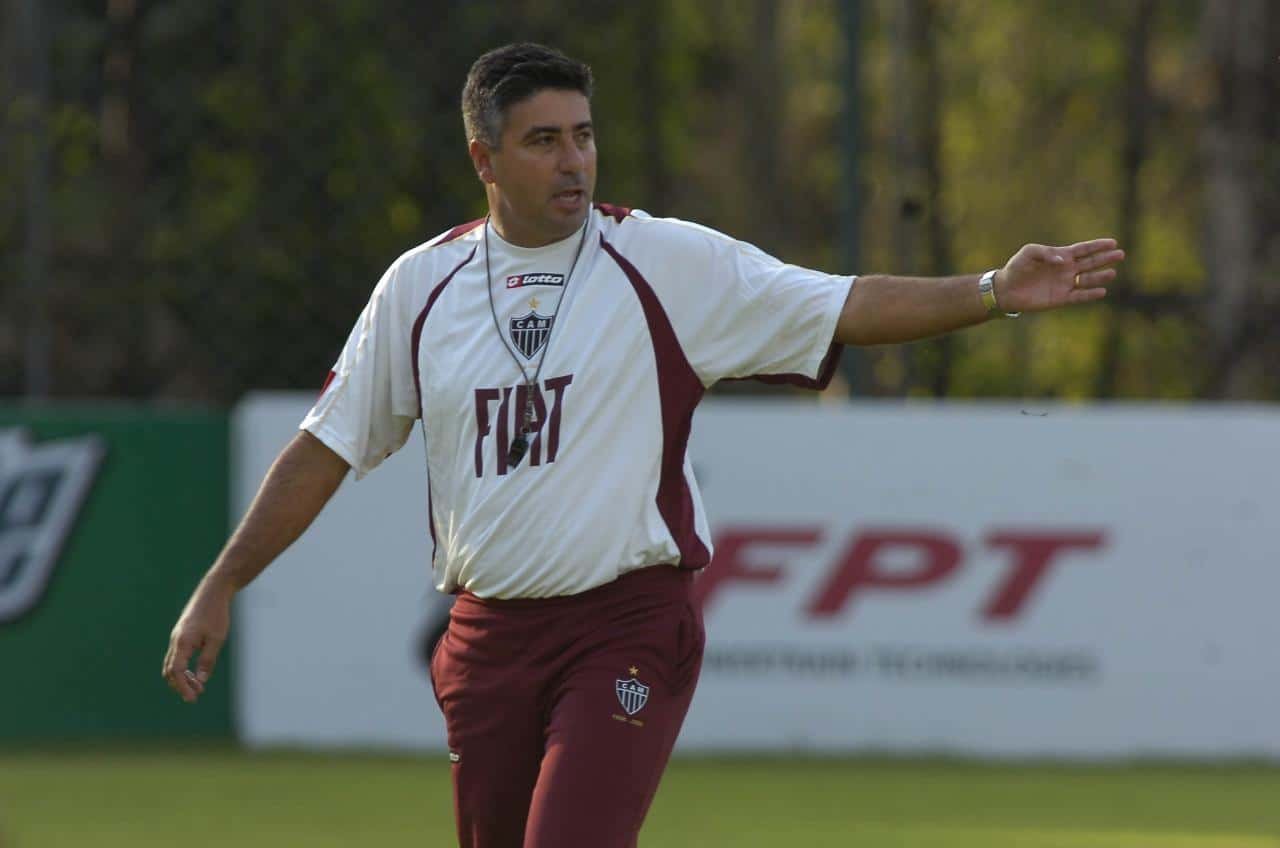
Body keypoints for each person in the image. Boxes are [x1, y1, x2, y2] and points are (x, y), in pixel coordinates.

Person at [163, 42, 1123, 848]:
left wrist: (993, 290)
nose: (574, 160)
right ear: (484, 159)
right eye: (543, 141)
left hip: (625, 625)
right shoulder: (419, 289)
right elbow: (325, 446)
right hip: (485, 640)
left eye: (583, 136)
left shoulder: (662, 261)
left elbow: (845, 301)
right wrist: (221, 582)